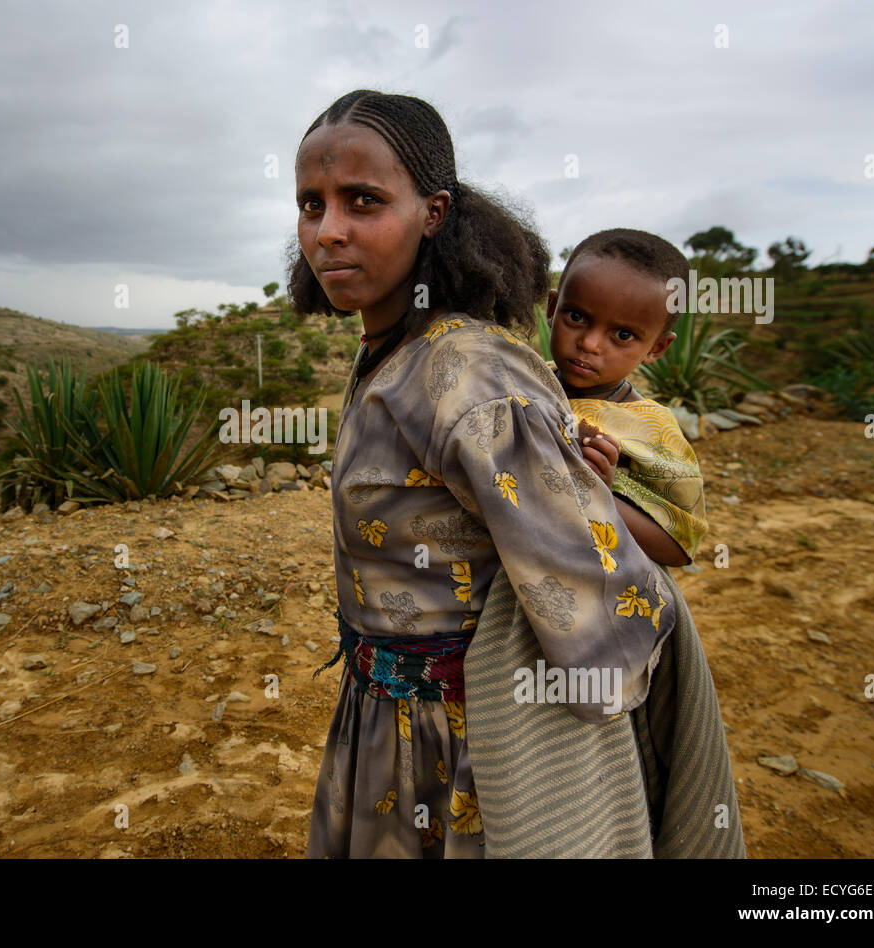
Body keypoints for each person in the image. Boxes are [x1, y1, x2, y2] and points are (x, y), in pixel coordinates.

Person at [287, 90, 677, 858]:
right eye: (311, 204)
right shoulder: (394, 350)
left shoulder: (466, 371)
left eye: (363, 201)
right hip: (385, 726)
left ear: (433, 213)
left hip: (468, 758)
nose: (328, 231)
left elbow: (599, 605)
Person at [545, 229, 708, 567]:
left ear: (656, 348)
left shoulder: (654, 429)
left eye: (623, 335)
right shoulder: (522, 380)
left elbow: (678, 548)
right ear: (551, 308)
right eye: (576, 317)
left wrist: (601, 494)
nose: (590, 344)